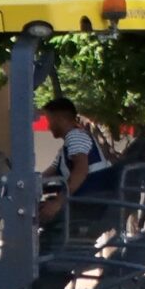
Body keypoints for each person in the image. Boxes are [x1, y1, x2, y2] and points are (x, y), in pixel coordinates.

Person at [35, 95, 117, 228]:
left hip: (88, 202)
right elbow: (50, 172)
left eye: (50, 120)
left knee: (37, 215)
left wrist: (57, 203)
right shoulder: (67, 146)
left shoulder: (75, 136)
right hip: (85, 200)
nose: (49, 126)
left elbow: (81, 170)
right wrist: (33, 183)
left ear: (60, 119)